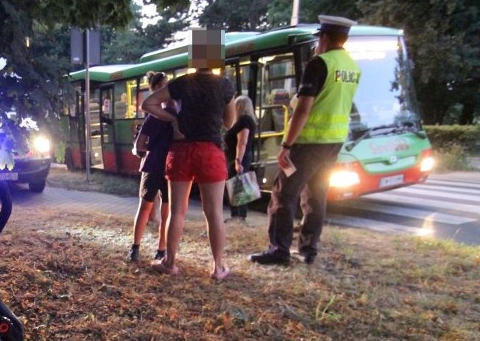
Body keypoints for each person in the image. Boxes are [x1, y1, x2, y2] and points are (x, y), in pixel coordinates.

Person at [249, 16, 361, 266]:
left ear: (323, 38)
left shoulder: (319, 64)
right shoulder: (352, 67)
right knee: (316, 196)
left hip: (308, 141)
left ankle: (278, 250)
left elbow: (303, 110)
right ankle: (308, 249)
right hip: (333, 141)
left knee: (282, 195)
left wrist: (287, 145)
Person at [142, 34, 235, 280]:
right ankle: (218, 267)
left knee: (177, 211)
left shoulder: (181, 83)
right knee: (213, 211)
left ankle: (169, 262)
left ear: (194, 57)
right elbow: (230, 121)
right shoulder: (225, 85)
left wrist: (175, 119)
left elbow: (149, 104)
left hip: (181, 150)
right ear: (216, 58)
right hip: (211, 151)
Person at [128, 72, 175, 262]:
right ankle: (160, 250)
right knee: (165, 212)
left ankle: (135, 249)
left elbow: (138, 146)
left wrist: (153, 148)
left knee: (146, 208)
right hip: (169, 167)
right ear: (156, 89)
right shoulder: (177, 116)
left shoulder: (153, 117)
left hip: (153, 165)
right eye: (163, 86)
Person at [224, 95, 257, 221]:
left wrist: (238, 160)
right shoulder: (249, 120)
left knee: (238, 185)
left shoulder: (244, 121)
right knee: (241, 185)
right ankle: (239, 215)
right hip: (240, 156)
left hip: (238, 157)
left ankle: (238, 215)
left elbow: (242, 141)